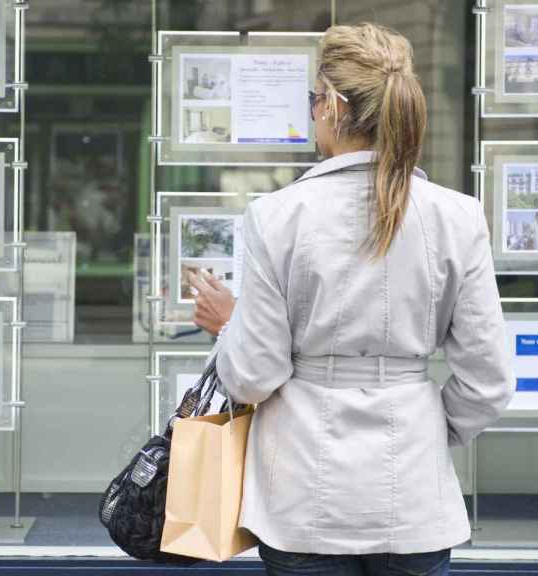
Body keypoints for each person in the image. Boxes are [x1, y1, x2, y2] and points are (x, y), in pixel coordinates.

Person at [187, 22, 514, 576]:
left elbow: (253, 376)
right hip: (414, 497)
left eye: (314, 100)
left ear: (333, 107)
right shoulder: (456, 216)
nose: (312, 113)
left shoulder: (278, 216)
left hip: (301, 498)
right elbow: (489, 381)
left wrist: (231, 325)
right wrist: (429, 428)